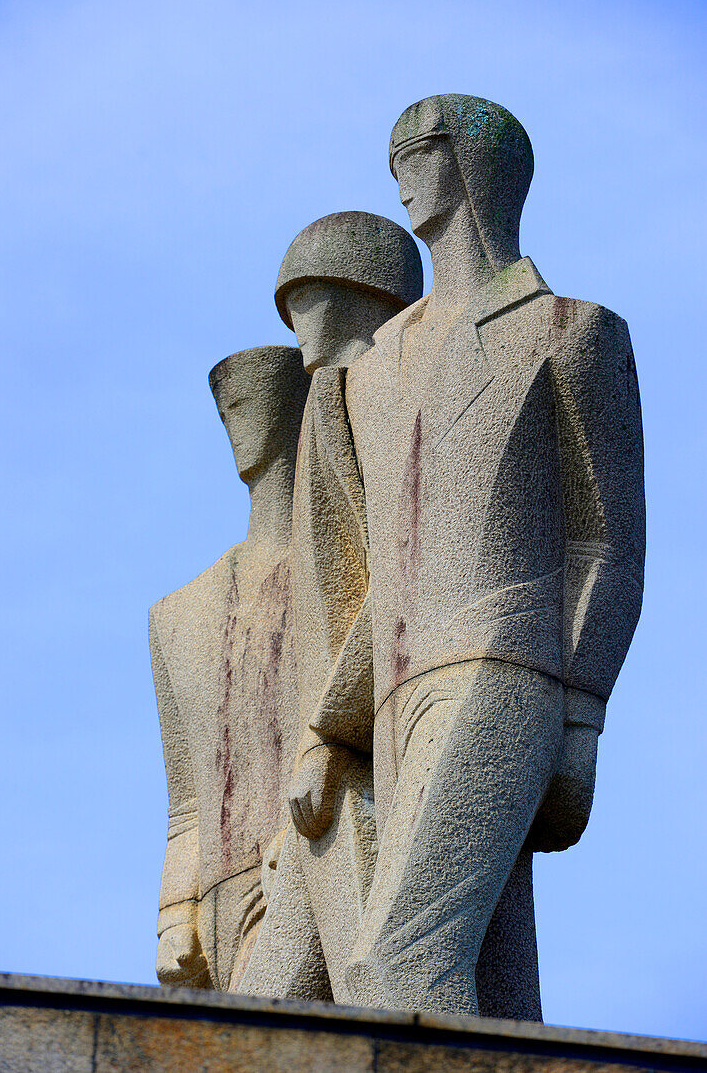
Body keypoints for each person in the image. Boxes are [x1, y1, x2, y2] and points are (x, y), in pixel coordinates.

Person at [288, 95, 645, 1015]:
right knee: (491, 981)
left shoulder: (571, 331)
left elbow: (603, 545)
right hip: (400, 692)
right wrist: (335, 730)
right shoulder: (365, 374)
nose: (399, 171)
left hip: (508, 667)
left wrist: (581, 718)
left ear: (476, 164)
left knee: (396, 960)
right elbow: (377, 576)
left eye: (417, 148)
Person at [239, 210, 423, 1002]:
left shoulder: (377, 392)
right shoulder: (328, 403)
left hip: (365, 761)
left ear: (362, 293)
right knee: (260, 1017)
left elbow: (406, 581)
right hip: (321, 785)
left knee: (379, 992)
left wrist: (327, 734)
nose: (297, 322)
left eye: (311, 298)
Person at [152, 345, 308, 990]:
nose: (238, 418)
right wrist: (174, 914)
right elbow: (187, 799)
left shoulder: (345, 565)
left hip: (316, 856)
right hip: (219, 891)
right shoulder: (180, 614)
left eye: (254, 399)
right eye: (228, 407)